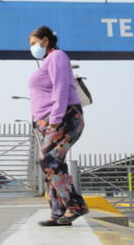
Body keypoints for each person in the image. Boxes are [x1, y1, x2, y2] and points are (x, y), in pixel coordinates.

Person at [28, 25, 89, 226]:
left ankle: (75, 205)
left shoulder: (57, 57)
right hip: (49, 120)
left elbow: (60, 87)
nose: (32, 48)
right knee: (52, 165)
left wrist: (55, 119)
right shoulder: (48, 61)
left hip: (64, 117)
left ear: (45, 41)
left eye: (33, 43)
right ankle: (58, 212)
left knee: (48, 160)